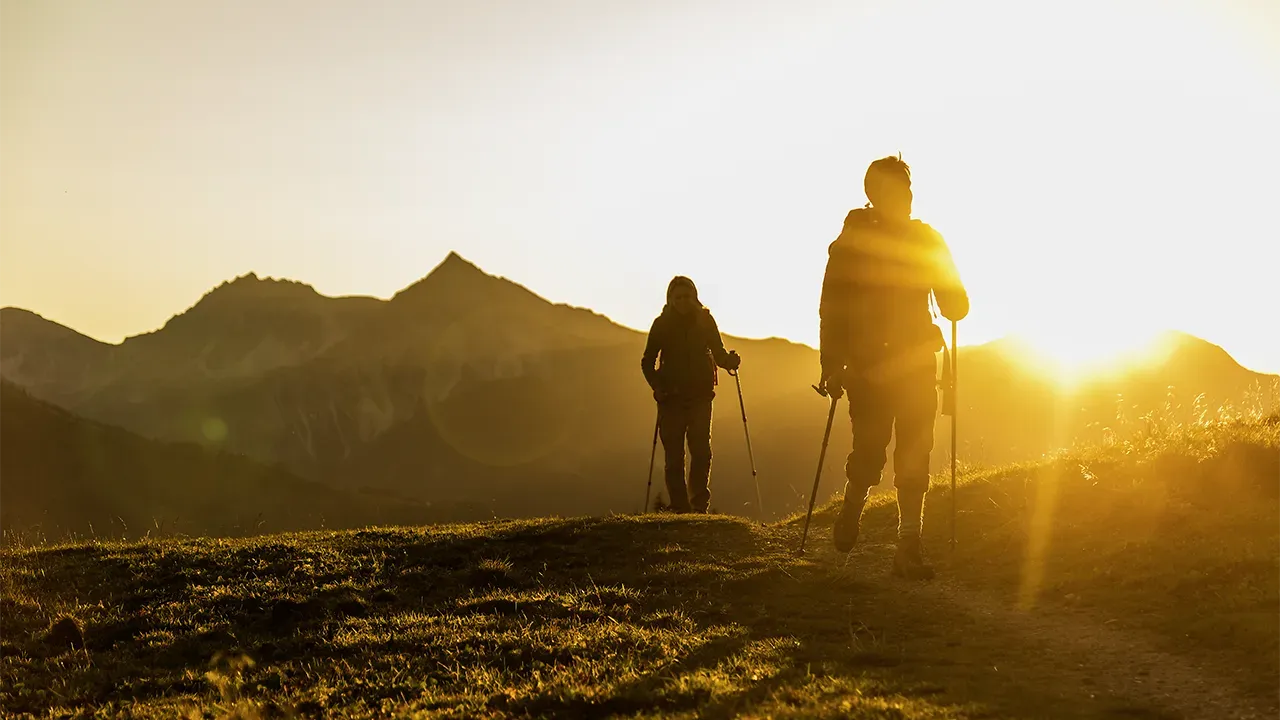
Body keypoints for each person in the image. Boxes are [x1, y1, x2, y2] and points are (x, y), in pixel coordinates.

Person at [818, 154, 969, 579]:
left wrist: (953, 293)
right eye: (893, 190)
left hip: (913, 360)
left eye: (905, 190)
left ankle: (909, 545)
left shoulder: (924, 239)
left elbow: (954, 301)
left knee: (915, 450)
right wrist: (832, 363)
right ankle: (853, 507)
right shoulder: (855, 241)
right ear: (873, 194)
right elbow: (833, 306)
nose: (903, 198)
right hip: (869, 366)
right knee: (870, 453)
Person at [640, 276, 741, 514]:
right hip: (672, 397)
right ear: (671, 299)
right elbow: (647, 361)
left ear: (694, 297)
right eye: (679, 297)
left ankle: (695, 506)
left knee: (700, 451)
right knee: (676, 456)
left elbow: (718, 352)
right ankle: (682, 507)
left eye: (687, 296)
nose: (683, 301)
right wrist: (657, 385)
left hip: (699, 396)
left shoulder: (703, 321)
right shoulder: (663, 324)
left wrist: (728, 362)